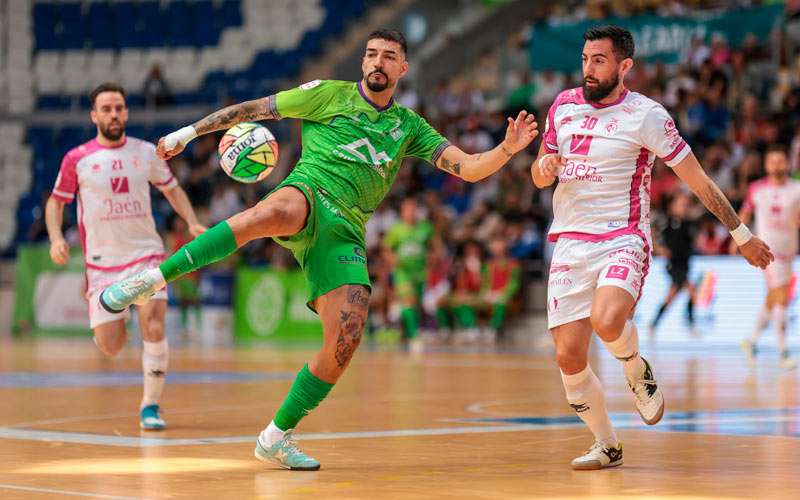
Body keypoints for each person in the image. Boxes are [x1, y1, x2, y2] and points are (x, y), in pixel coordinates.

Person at [98, 29, 539, 470]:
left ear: (402, 68)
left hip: (346, 229)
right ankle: (150, 280)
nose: (377, 62)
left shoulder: (409, 127)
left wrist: (507, 148)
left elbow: (469, 168)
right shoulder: (328, 94)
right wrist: (188, 133)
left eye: (388, 57)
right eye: (370, 54)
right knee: (266, 216)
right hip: (309, 191)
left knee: (344, 343)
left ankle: (274, 437)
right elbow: (255, 110)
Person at [530, 25, 772, 471]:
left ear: (625, 66)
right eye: (585, 59)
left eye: (599, 60)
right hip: (569, 241)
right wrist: (543, 168)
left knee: (607, 321)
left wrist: (740, 234)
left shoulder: (647, 115)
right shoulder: (562, 105)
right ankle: (607, 444)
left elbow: (697, 180)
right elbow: (540, 173)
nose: (588, 68)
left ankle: (634, 366)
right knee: (567, 356)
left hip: (623, 235)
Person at [44, 82, 205, 430]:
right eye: (106, 109)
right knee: (112, 346)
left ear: (126, 112)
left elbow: (172, 189)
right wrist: (56, 237)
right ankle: (116, 310)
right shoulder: (77, 159)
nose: (113, 114)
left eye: (118, 107)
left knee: (154, 325)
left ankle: (150, 406)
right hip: (102, 267)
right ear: (94, 115)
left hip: (146, 255)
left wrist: (191, 221)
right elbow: (56, 202)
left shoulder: (146, 152)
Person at [734, 145, 800, 370]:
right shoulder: (757, 189)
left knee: (774, 299)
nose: (777, 165)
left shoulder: (797, 189)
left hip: (788, 250)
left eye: (781, 160)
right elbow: (744, 214)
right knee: (781, 297)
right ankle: (783, 352)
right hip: (766, 251)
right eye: (773, 161)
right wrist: (740, 240)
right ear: (766, 165)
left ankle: (751, 341)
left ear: (787, 163)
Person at [382, 197, 433, 345]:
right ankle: (414, 336)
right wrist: (393, 260)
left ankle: (400, 326)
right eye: (407, 210)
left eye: (413, 209)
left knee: (416, 304)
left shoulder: (425, 228)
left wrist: (431, 261)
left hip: (419, 271)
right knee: (409, 300)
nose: (410, 212)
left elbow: (435, 247)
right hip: (403, 272)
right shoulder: (397, 229)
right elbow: (386, 248)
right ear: (402, 212)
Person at [649, 191, 698, 335]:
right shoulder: (668, 222)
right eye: (680, 205)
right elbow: (653, 233)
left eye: (685, 205)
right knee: (692, 291)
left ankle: (653, 324)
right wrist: (660, 249)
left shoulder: (688, 224)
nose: (684, 208)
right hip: (673, 265)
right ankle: (690, 324)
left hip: (684, 265)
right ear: (673, 206)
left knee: (671, 296)